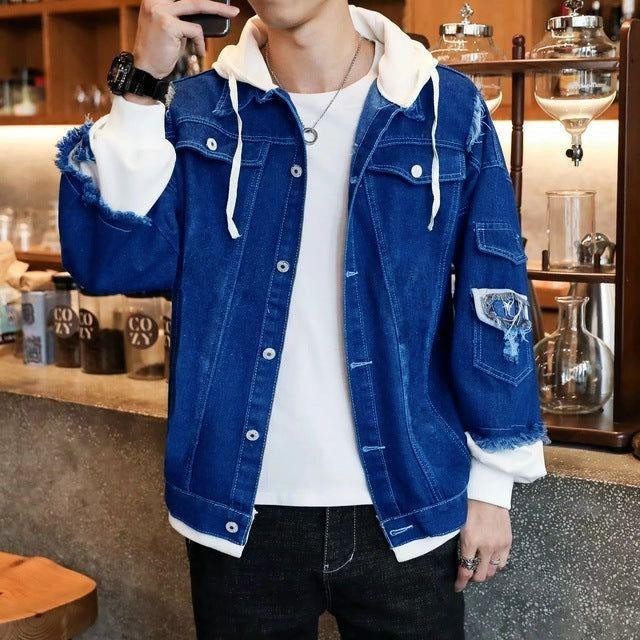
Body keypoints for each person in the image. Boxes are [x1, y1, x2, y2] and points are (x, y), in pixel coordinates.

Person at [55, 0, 549, 637]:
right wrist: (141, 88)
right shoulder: (196, 111)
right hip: (238, 513)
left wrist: (494, 485)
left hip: (407, 502)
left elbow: (496, 297)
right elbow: (109, 262)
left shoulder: (442, 107)